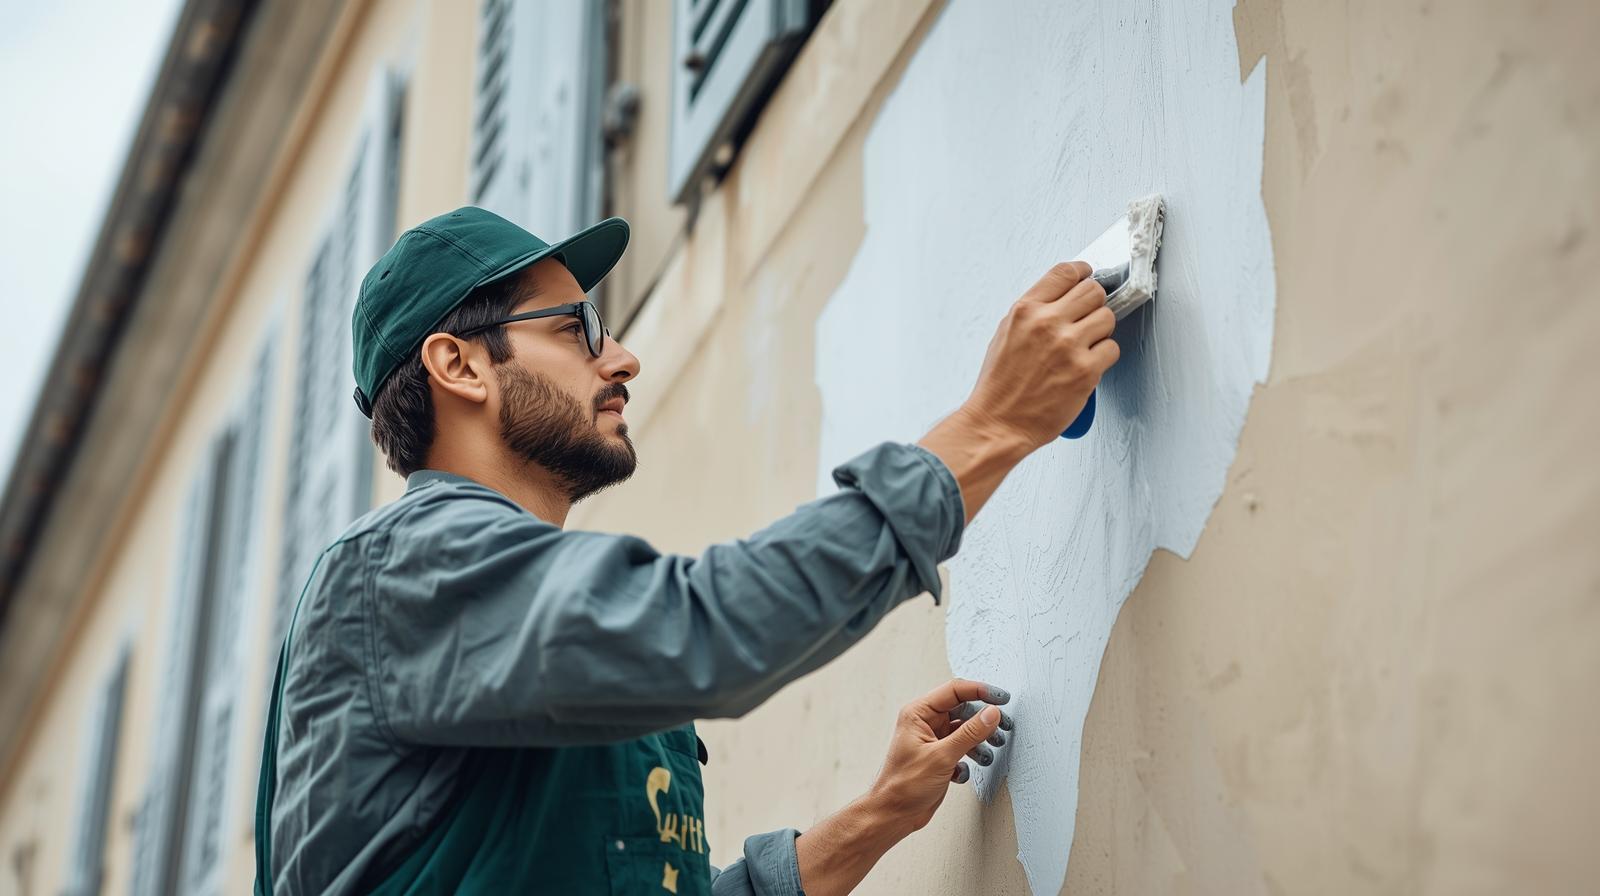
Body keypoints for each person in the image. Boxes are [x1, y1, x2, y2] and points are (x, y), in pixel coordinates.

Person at [253, 207, 1119, 895]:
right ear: (461, 366)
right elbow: (704, 626)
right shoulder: (404, 570)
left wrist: (880, 814)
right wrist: (991, 426)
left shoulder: (516, 621)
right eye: (578, 328)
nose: (622, 357)